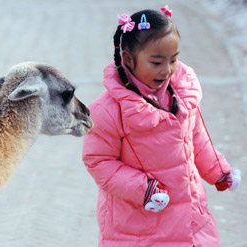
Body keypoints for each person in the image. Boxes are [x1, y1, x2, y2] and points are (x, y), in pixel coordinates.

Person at [82, 5, 241, 247]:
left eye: (173, 60)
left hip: (190, 217)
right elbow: (99, 161)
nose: (167, 70)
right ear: (128, 59)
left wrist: (217, 170)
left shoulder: (180, 97)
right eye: (156, 62)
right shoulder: (109, 110)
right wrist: (144, 188)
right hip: (139, 224)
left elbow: (195, 138)